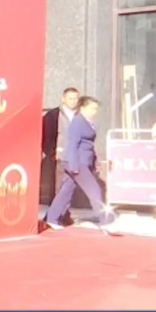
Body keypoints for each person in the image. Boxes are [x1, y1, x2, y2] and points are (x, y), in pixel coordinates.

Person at [44, 96, 114, 230]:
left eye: (96, 109)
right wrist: (74, 166)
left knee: (66, 191)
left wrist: (94, 162)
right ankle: (106, 220)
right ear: (82, 108)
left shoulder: (86, 122)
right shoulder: (78, 122)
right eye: (92, 108)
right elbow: (72, 144)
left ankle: (51, 218)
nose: (95, 111)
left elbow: (88, 145)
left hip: (81, 161)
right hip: (77, 162)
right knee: (94, 190)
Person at [41, 87, 80, 223]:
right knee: (59, 187)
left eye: (75, 98)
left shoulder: (80, 115)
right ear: (63, 99)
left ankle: (62, 214)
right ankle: (54, 217)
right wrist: (51, 152)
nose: (73, 101)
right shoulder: (53, 115)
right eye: (70, 98)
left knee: (69, 187)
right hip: (58, 157)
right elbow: (46, 136)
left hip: (75, 157)